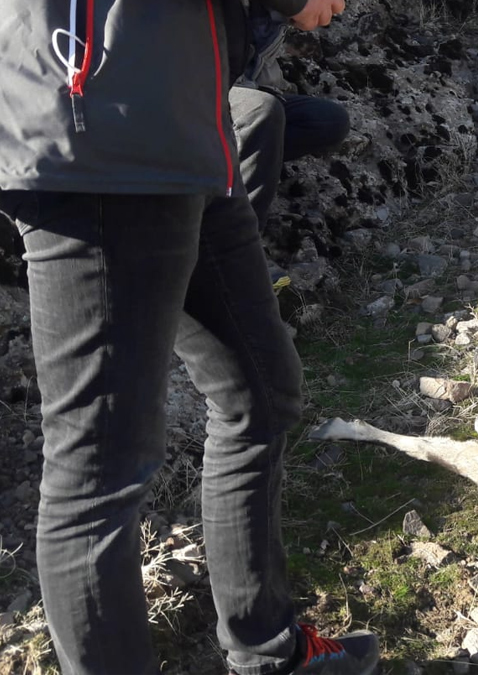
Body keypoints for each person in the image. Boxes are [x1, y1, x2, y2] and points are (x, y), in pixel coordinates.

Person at [0, 2, 379, 674]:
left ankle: (267, 650)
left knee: (260, 393)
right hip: (99, 123)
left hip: (183, 127)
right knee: (99, 466)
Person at [233, 1, 352, 229]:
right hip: (197, 100)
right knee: (262, 111)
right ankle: (239, 237)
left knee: (328, 120)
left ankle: (229, 175)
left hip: (247, 97)